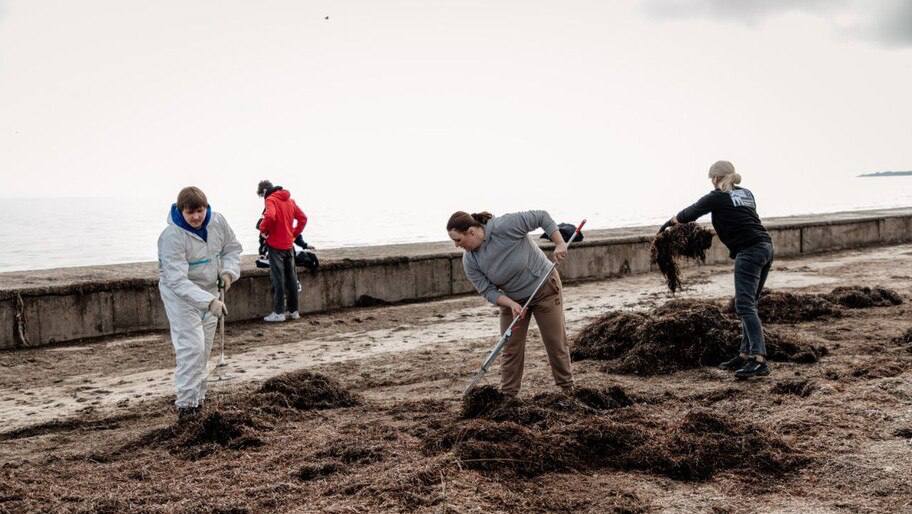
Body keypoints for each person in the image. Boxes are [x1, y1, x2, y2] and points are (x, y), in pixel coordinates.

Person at [659, 160, 774, 378]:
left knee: (744, 306)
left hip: (749, 251)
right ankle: (745, 354)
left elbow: (690, 213)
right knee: (749, 304)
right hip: (766, 247)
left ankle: (759, 360)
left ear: (715, 178)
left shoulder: (717, 196)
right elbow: (741, 217)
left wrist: (669, 223)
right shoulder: (746, 194)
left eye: (711, 178)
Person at [447, 210, 574, 397]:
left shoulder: (504, 226)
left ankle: (567, 388)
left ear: (471, 232)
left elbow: (542, 217)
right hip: (511, 300)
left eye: (458, 240)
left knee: (555, 342)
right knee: (510, 347)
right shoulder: (470, 260)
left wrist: (560, 243)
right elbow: (487, 291)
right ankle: (508, 395)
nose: (456, 245)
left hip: (544, 288)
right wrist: (510, 304)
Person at [157, 186, 242, 419]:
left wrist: (228, 273)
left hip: (211, 292)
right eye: (190, 212)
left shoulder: (218, 222)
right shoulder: (171, 237)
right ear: (180, 211)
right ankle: (186, 406)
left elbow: (232, 248)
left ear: (207, 207)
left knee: (204, 349)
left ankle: (199, 399)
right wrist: (208, 302)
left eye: (200, 211)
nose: (196, 217)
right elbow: (176, 280)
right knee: (191, 349)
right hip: (181, 298)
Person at [256, 180, 308, 322]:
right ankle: (294, 311)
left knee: (278, 279)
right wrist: (293, 234)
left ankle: (279, 313)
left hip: (275, 246)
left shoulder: (271, 200)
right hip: (288, 245)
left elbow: (270, 216)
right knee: (292, 278)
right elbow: (303, 219)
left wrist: (263, 229)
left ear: (264, 192)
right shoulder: (290, 201)